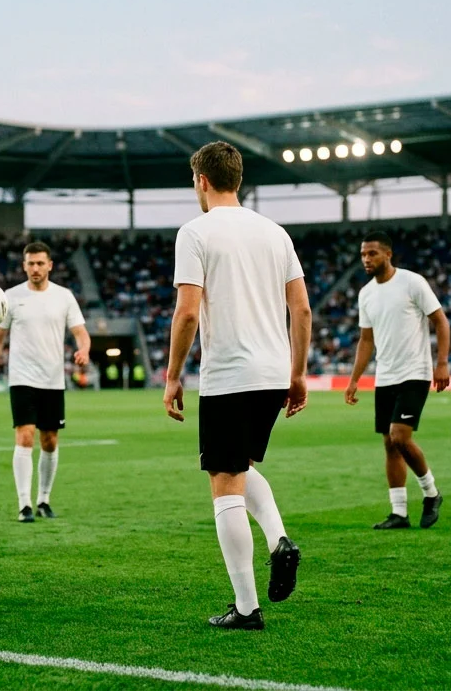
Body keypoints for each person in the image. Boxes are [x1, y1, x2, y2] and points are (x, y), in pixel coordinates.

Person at [163, 141, 308, 630]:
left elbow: (187, 313)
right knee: (239, 467)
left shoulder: (195, 232)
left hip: (229, 375)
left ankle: (246, 608)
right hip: (273, 372)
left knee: (224, 484)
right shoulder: (275, 233)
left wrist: (172, 376)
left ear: (202, 181)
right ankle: (279, 539)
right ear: (237, 179)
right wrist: (298, 373)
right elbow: (301, 309)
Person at [344, 231, 450, 530]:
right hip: (385, 376)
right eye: (363, 254)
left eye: (372, 253)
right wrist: (354, 379)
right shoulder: (366, 293)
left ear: (388, 254)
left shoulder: (412, 282)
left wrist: (442, 363)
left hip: (415, 372)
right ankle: (399, 513)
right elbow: (366, 340)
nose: (366, 259)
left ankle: (431, 493)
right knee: (390, 445)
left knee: (400, 436)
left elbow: (440, 321)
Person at [0, 242, 90, 522]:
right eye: (31, 263)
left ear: (50, 265)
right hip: (22, 378)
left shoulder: (64, 297)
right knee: (25, 435)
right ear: (24, 266)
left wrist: (84, 349)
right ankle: (24, 504)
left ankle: (44, 499)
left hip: (52, 380)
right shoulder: (11, 296)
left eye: (40, 263)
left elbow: (80, 332)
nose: (35, 268)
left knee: (50, 440)